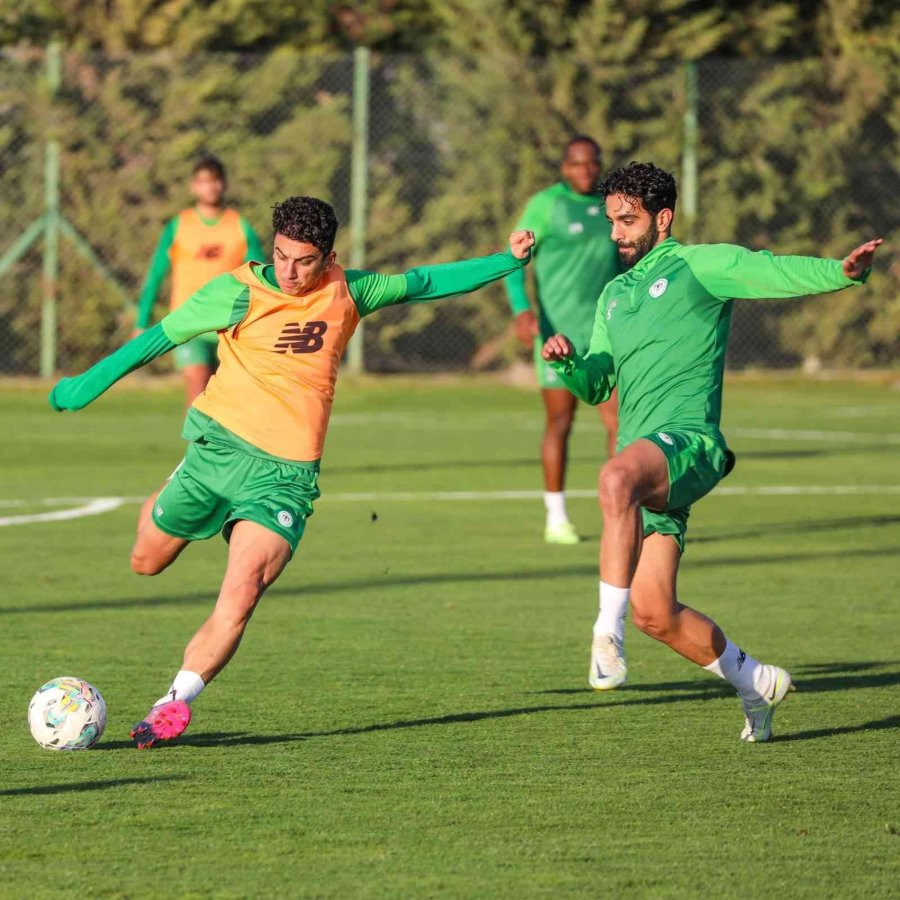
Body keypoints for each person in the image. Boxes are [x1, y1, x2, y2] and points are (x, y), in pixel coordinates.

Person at [51, 196, 535, 748]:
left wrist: (507, 261)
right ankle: (174, 486)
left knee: (243, 591)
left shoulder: (350, 291)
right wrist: (83, 386)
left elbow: (423, 282)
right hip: (215, 455)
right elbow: (158, 339)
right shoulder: (235, 292)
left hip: (284, 477)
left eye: (304, 261)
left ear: (329, 258)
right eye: (281, 256)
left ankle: (171, 703)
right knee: (146, 561)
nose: (289, 271)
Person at [542, 161, 881, 739]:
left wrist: (841, 273)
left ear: (663, 218)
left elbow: (769, 271)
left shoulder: (698, 265)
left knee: (614, 479)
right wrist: (570, 362)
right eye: (611, 221)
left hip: (689, 444)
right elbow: (598, 383)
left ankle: (604, 634)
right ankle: (757, 683)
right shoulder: (613, 295)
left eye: (628, 220)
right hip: (649, 461)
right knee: (655, 611)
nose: (616, 233)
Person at [505, 136, 621, 545]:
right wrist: (522, 310)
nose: (585, 171)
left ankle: (620, 512)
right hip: (558, 336)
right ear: (564, 167)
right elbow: (515, 258)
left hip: (607, 333)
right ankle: (556, 518)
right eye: (576, 164)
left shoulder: (612, 204)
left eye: (592, 163)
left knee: (619, 422)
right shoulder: (546, 205)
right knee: (560, 422)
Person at [134, 155, 266, 405]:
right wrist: (141, 321)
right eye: (203, 181)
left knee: (227, 402)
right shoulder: (179, 226)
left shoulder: (239, 226)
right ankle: (193, 432)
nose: (210, 187)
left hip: (229, 325)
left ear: (224, 184)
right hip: (189, 322)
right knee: (198, 384)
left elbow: (260, 277)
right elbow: (155, 277)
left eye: (215, 180)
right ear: (193, 187)